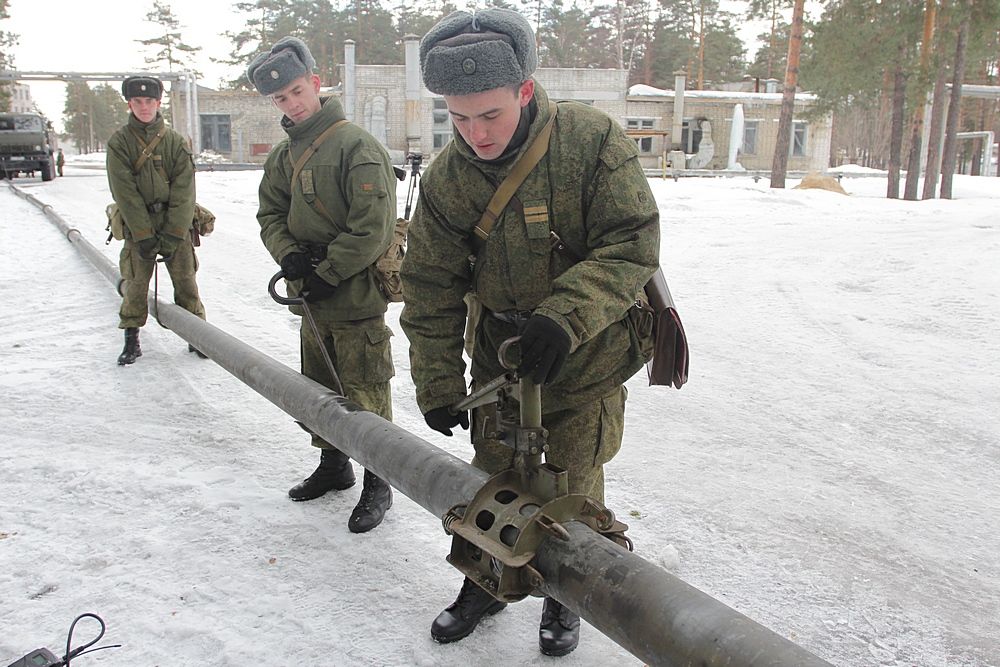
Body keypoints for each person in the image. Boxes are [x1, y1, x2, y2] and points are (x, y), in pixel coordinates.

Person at [400, 8, 660, 657]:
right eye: (458, 118)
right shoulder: (448, 179)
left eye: (488, 114)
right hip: (499, 363)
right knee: (492, 475)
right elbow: (429, 284)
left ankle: (565, 594)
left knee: (570, 485)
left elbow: (633, 242)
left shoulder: (590, 142)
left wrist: (564, 315)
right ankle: (485, 581)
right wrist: (436, 382)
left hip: (583, 356)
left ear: (523, 90)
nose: (474, 133)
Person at [248, 37, 398, 534]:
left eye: (296, 91)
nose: (292, 104)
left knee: (365, 393)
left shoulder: (356, 146)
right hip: (310, 301)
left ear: (315, 83)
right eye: (281, 99)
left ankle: (380, 479)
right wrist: (288, 255)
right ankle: (335, 465)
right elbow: (270, 211)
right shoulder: (282, 156)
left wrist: (325, 272)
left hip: (353, 300)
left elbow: (371, 229)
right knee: (320, 389)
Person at [107, 75, 207, 366]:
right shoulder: (120, 143)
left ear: (158, 102)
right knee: (136, 285)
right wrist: (143, 234)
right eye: (137, 101)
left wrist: (175, 233)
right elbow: (124, 192)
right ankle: (131, 338)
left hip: (174, 222)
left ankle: (197, 336)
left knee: (186, 283)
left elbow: (184, 190)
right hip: (139, 226)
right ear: (129, 103)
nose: (144, 107)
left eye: (149, 101)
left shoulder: (174, 141)